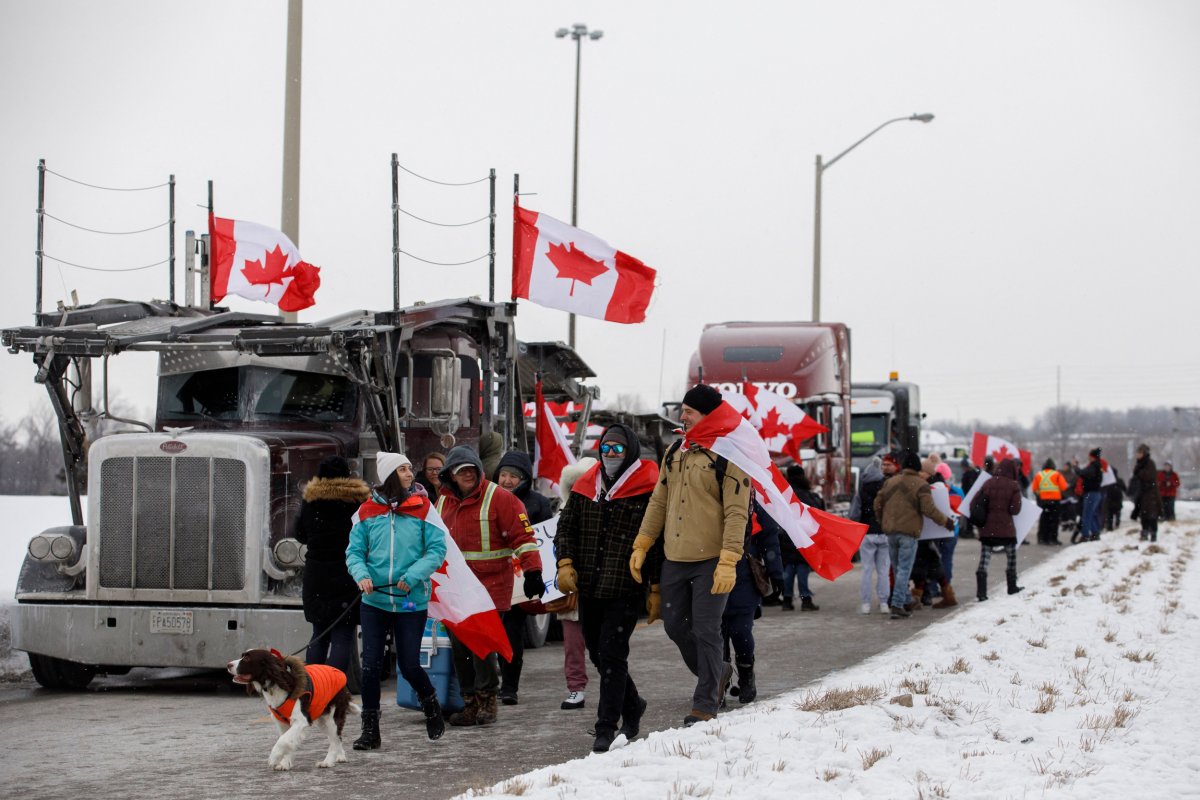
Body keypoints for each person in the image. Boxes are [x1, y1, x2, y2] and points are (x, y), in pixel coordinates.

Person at [631, 384, 749, 727]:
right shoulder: (676, 451)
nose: (682, 416)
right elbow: (659, 500)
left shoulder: (729, 455)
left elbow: (737, 512)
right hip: (676, 557)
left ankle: (705, 701)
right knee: (674, 626)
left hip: (712, 558)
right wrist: (643, 542)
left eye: (689, 411)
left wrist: (729, 560)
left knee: (707, 629)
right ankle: (719, 672)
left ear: (708, 415)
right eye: (682, 410)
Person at [555, 423, 663, 752]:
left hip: (625, 587)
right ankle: (633, 704)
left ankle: (606, 726)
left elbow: (657, 542)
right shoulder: (587, 486)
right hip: (589, 585)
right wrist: (565, 561)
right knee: (598, 655)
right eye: (605, 448)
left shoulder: (648, 489)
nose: (610, 454)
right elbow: (566, 526)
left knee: (613, 656)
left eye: (617, 448)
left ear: (629, 450)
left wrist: (656, 586)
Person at [435, 445, 544, 726]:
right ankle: (469, 702)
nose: (468, 475)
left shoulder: (501, 499)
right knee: (460, 649)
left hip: (490, 587)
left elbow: (523, 537)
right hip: (456, 590)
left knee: (481, 647)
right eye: (461, 471)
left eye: (472, 470)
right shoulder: (443, 502)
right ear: (451, 476)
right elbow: (434, 542)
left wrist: (533, 571)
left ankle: (487, 702)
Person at [345, 451, 449, 747]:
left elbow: (436, 550)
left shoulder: (423, 508)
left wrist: (414, 575)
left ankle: (431, 705)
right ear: (389, 475)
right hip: (374, 601)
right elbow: (354, 552)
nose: (409, 474)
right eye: (403, 469)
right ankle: (370, 730)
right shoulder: (366, 511)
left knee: (409, 665)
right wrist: (361, 574)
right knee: (371, 667)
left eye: (408, 468)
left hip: (410, 600)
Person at [294, 456, 370, 675]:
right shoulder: (356, 502)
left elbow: (300, 533)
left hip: (316, 574)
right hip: (347, 572)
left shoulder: (311, 500)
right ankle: (334, 686)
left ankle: (314, 685)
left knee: (319, 632)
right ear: (347, 475)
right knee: (343, 633)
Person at [493, 450, 553, 707]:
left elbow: (546, 540)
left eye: (513, 476)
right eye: (503, 474)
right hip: (493, 577)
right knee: (491, 633)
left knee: (512, 632)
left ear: (524, 478)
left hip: (520, 580)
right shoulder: (488, 499)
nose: (507, 480)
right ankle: (487, 685)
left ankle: (509, 687)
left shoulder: (538, 503)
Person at [874, 450, 952, 619]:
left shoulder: (890, 482)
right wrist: (946, 521)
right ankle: (897, 604)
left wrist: (883, 521)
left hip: (890, 532)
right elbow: (929, 509)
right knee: (904, 569)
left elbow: (877, 504)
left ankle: (907, 600)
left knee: (896, 568)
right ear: (917, 467)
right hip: (908, 532)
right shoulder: (920, 485)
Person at [721, 499, 783, 707]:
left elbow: (770, 539)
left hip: (745, 578)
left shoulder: (752, 503)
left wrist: (776, 573)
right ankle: (717, 681)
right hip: (711, 575)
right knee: (715, 635)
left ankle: (746, 674)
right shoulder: (706, 497)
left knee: (741, 631)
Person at [971, 457, 1024, 601]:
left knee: (984, 561)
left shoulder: (988, 483)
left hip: (988, 531)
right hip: (1007, 530)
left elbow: (975, 503)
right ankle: (1012, 587)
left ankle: (981, 592)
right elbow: (1015, 510)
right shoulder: (1013, 486)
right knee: (1011, 558)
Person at [852, 454, 893, 614]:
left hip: (867, 532)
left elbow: (855, 512)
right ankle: (884, 603)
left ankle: (866, 604)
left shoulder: (862, 488)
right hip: (884, 531)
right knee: (883, 570)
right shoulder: (886, 487)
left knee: (866, 570)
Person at [780, 465, 823, 611]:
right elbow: (815, 511)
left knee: (789, 570)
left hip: (786, 535)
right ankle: (805, 599)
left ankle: (787, 600)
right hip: (802, 536)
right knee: (802, 569)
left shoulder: (783, 492)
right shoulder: (805, 493)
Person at [1031, 458, 1068, 546]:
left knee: (1044, 519)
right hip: (1055, 501)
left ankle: (1042, 538)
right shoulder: (1057, 474)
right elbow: (1064, 487)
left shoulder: (1038, 475)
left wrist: (1040, 495)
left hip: (1043, 501)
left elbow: (1034, 489)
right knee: (1054, 520)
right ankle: (1053, 539)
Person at [1130, 443, 1162, 542]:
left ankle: (1153, 534)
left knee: (1152, 515)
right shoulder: (1139, 464)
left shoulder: (1149, 463)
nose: (1138, 455)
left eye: (1139, 453)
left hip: (1151, 493)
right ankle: (1144, 532)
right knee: (1143, 514)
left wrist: (1139, 473)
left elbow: (1149, 476)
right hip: (1142, 493)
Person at [1076, 449, 1105, 543]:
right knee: (1091, 514)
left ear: (1092, 456)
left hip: (1091, 493)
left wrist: (1076, 467)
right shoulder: (1098, 466)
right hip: (1096, 493)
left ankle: (1085, 535)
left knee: (1087, 514)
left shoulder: (1094, 466)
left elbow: (1083, 473)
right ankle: (1095, 532)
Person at [958, 457, 981, 539]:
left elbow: (968, 486)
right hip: (970, 497)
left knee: (969, 516)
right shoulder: (972, 473)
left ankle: (969, 531)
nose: (962, 468)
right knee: (968, 516)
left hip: (970, 497)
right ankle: (968, 530)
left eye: (963, 467)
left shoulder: (970, 474)